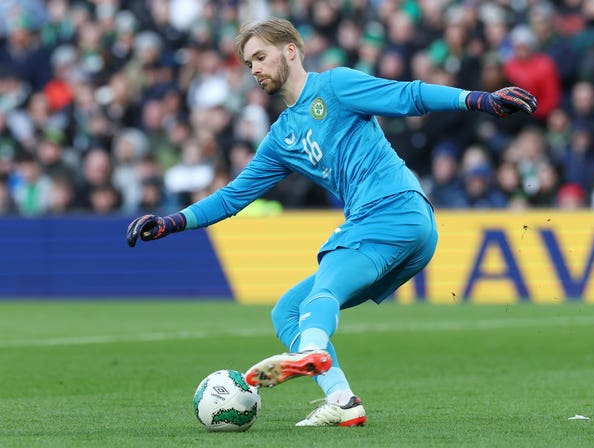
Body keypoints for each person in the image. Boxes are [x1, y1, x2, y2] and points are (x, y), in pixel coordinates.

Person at [126, 17, 536, 427]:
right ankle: (341, 399)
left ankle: (311, 352)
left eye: (260, 57)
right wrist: (172, 222)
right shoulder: (282, 137)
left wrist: (477, 99)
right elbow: (234, 196)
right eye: (249, 63)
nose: (254, 69)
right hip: (404, 232)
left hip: (391, 207)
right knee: (288, 311)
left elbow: (407, 96)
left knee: (324, 282)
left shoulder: (334, 86)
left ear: (290, 50)